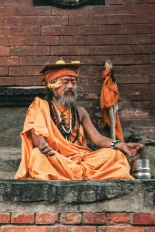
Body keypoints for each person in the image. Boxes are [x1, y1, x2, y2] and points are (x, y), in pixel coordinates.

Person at [14, 60, 142, 180]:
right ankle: (80, 175)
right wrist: (42, 144)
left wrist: (121, 145)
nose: (70, 86)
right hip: (56, 157)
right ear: (52, 85)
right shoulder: (40, 106)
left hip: (81, 158)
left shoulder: (80, 112)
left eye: (73, 82)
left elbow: (97, 139)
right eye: (65, 82)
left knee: (115, 156)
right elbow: (36, 133)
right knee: (37, 156)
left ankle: (76, 174)